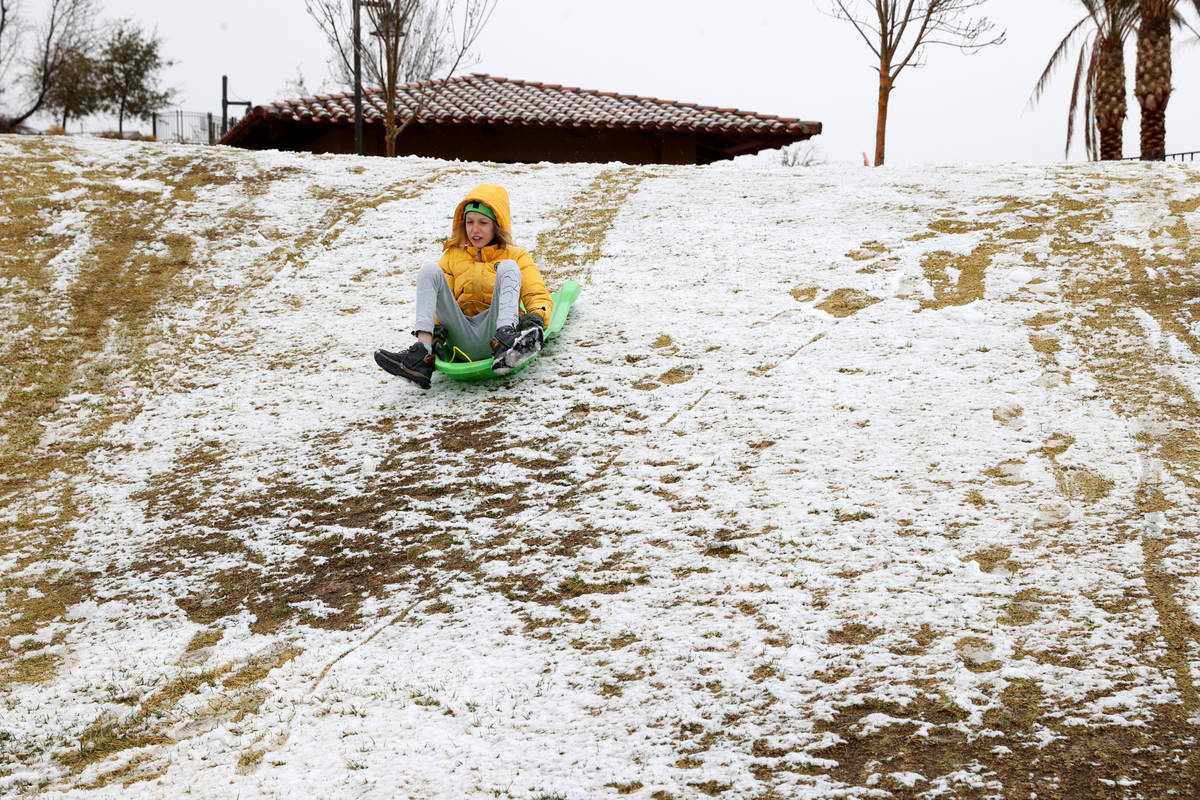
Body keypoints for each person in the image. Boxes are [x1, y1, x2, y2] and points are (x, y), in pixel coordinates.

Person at [374, 183, 554, 389]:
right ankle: (421, 354)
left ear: (497, 224)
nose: (474, 230)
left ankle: (507, 342)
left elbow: (536, 294)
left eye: (483, 223)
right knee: (428, 270)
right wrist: (436, 333)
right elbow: (441, 301)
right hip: (461, 335)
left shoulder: (516, 256)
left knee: (509, 267)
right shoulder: (452, 256)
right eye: (469, 222)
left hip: (496, 332)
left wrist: (535, 320)